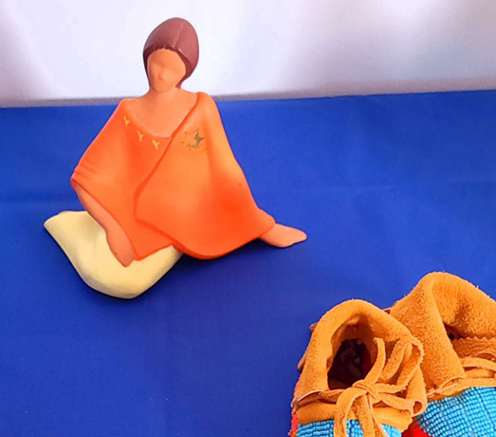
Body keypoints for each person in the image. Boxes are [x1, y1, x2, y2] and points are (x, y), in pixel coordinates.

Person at [45, 17, 306, 298]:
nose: (162, 75)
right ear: (146, 59)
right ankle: (71, 226)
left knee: (127, 283)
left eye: (173, 69)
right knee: (111, 275)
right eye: (157, 63)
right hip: (129, 212)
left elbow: (225, 171)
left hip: (185, 216)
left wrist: (260, 225)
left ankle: (76, 226)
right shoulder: (127, 114)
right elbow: (87, 176)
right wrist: (112, 228)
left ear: (186, 73)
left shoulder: (200, 109)